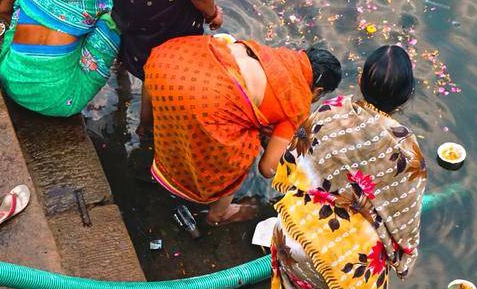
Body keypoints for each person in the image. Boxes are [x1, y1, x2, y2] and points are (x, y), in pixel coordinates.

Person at [253, 45, 426, 289]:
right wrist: (401, 259)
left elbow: (293, 164)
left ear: (360, 79)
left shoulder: (330, 110)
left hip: (300, 235)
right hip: (351, 258)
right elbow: (404, 220)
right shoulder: (408, 149)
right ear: (407, 96)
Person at [144, 37, 342, 223]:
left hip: (170, 58)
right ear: (317, 92)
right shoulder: (296, 103)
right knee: (246, 147)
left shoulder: (277, 55)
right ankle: (219, 214)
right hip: (204, 98)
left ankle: (144, 128)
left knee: (170, 94)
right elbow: (267, 169)